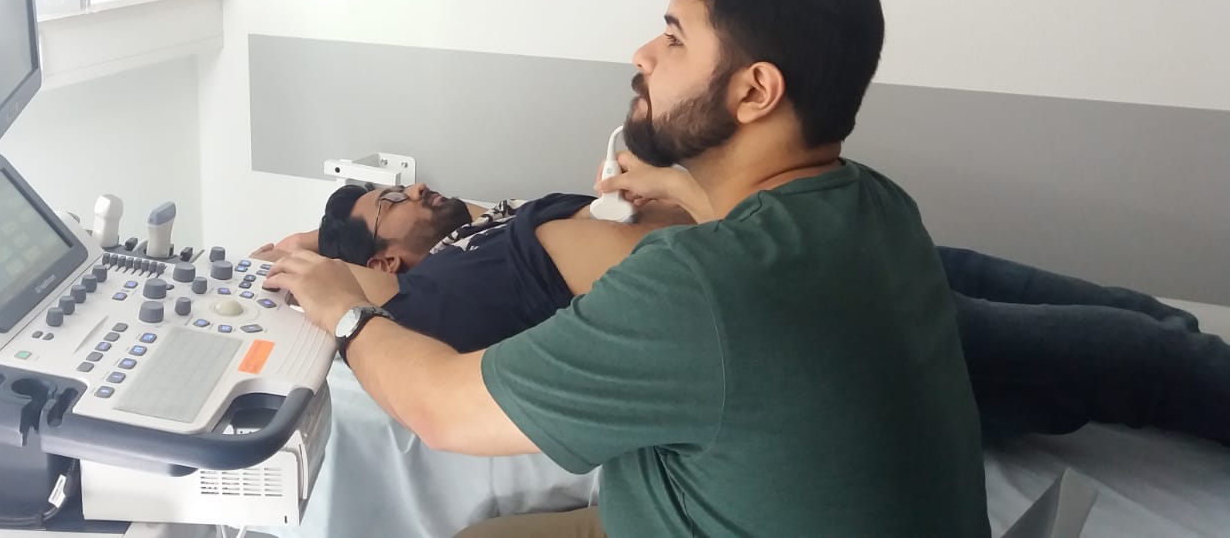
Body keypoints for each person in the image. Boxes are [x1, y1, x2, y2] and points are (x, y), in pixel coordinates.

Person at [265, 0, 991, 537]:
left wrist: (344, 309)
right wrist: (682, 185)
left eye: (675, 38)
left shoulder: (695, 286)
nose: (643, 55)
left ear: (755, 91)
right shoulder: (875, 203)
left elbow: (441, 412)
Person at [265, 165, 1230, 447]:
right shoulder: (426, 300)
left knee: (1099, 307)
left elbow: (397, 229)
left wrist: (330, 225)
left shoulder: (471, 227)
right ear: (383, 255)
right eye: (392, 200)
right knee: (1119, 355)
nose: (415, 188)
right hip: (778, 306)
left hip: (793, 244)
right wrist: (328, 273)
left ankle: (1183, 347)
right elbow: (417, 379)